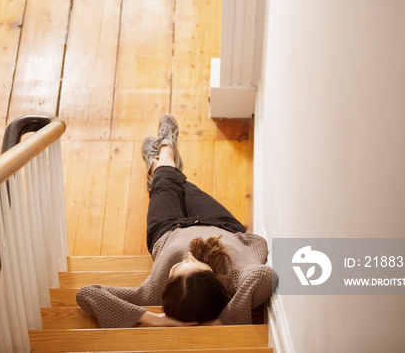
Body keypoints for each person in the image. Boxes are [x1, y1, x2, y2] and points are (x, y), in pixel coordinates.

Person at [76, 114, 278, 328]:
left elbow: (87, 294)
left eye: (179, 265)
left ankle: (164, 152)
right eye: (196, 265)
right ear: (216, 284)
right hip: (220, 224)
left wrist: (154, 318)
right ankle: (160, 165)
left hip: (167, 229)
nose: (189, 255)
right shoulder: (235, 280)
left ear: (166, 287)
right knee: (181, 185)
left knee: (166, 182)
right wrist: (220, 322)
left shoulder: (154, 291)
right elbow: (264, 275)